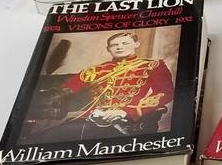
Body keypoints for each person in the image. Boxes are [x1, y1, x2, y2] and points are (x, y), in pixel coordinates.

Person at [35, 32, 174, 141]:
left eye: (125, 43)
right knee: (43, 138)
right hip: (91, 119)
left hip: (128, 122)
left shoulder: (153, 65)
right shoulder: (96, 69)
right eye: (114, 45)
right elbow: (66, 88)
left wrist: (126, 111)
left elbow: (165, 92)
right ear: (108, 49)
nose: (119, 47)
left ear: (136, 44)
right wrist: (48, 98)